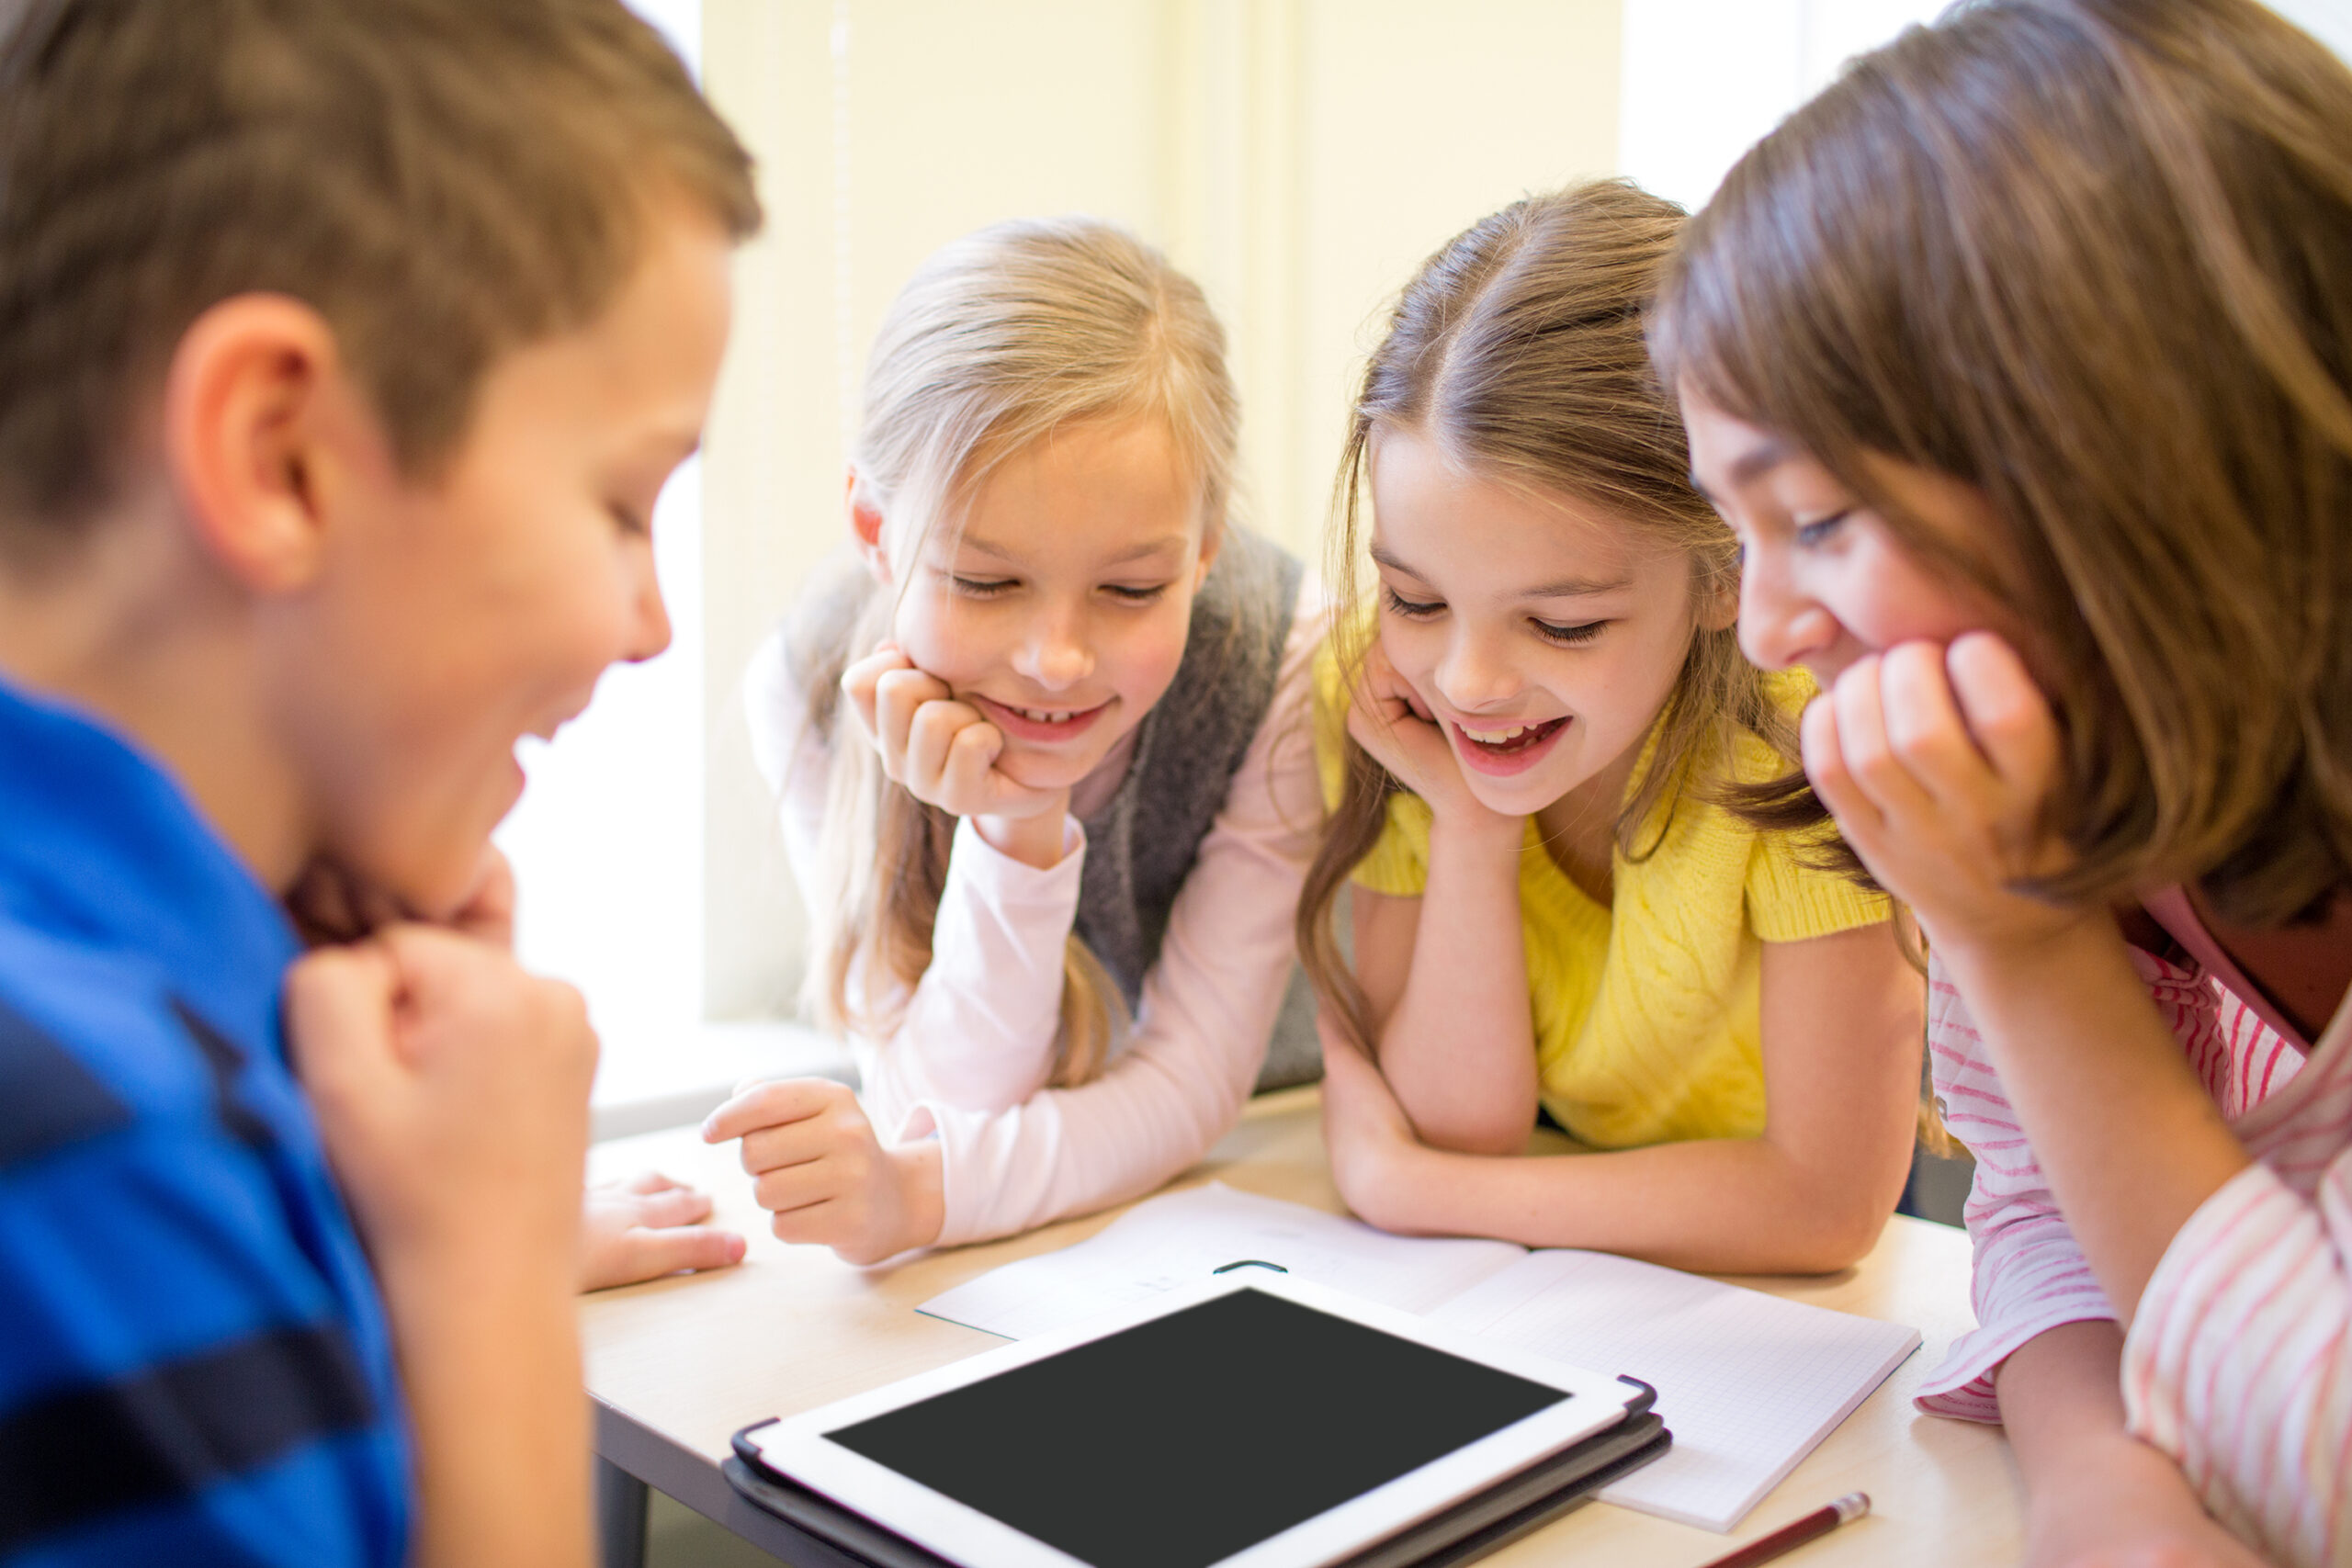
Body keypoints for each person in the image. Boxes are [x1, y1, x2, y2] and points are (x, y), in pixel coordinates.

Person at [0, 2, 758, 1562]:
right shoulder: (97, 1151)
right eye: (621, 502)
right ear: (279, 453)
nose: (651, 622)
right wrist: (488, 1263)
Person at [1657, 2, 2352, 1562]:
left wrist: (2020, 942)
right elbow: (2045, 1205)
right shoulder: (2045, 779)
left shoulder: (2012, 862)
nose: (1769, 624)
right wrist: (2109, 1473)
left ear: (2131, 457)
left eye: (1821, 517)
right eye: (1737, 531)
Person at [1299, 181, 1924, 1275]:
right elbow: (1461, 1119)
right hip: (1557, 1240)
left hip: (1755, 1274)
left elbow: (1825, 1207)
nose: (1470, 680)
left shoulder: (1806, 728)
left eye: (1561, 621)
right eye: (1415, 598)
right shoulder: (1386, 700)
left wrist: (1416, 1188)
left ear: (1728, 571)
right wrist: (1471, 825)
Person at [713, 218, 1322, 1263]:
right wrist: (1016, 826)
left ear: (1205, 548)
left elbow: (1191, 1086)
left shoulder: (1284, 651)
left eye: (1131, 590)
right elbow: (937, 1109)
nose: (1056, 660)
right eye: (985, 581)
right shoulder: (801, 689)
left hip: (1270, 1155)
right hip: (1046, 1227)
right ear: (876, 530)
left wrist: (924, 1200)